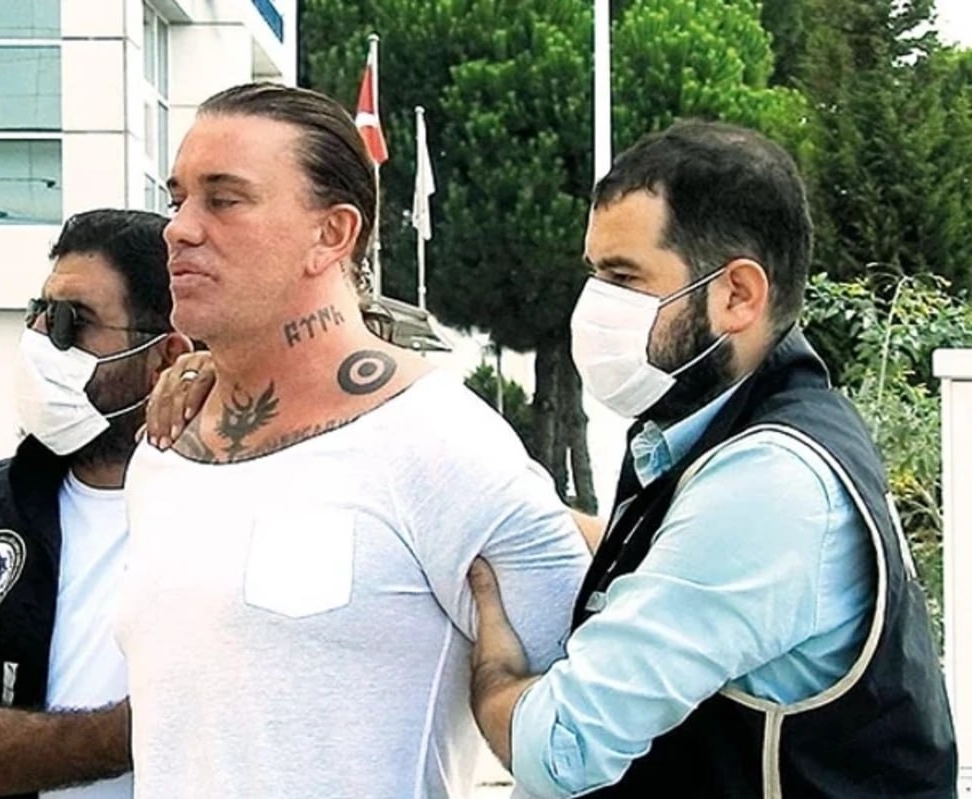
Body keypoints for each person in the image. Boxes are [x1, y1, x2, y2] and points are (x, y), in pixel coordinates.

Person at [116, 82, 590, 798]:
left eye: (225, 199)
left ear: (332, 234)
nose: (178, 229)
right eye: (177, 199)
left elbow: (593, 728)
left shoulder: (439, 442)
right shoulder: (164, 447)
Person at [468, 120, 956, 798]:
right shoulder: (744, 428)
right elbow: (680, 562)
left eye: (624, 277)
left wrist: (492, 670)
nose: (594, 307)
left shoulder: (770, 483)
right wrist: (522, 519)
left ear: (738, 295)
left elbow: (559, 748)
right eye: (595, 274)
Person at [0, 209, 190, 799]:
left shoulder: (225, 500)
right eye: (39, 314)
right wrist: (140, 730)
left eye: (73, 322)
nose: (41, 342)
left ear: (164, 358)